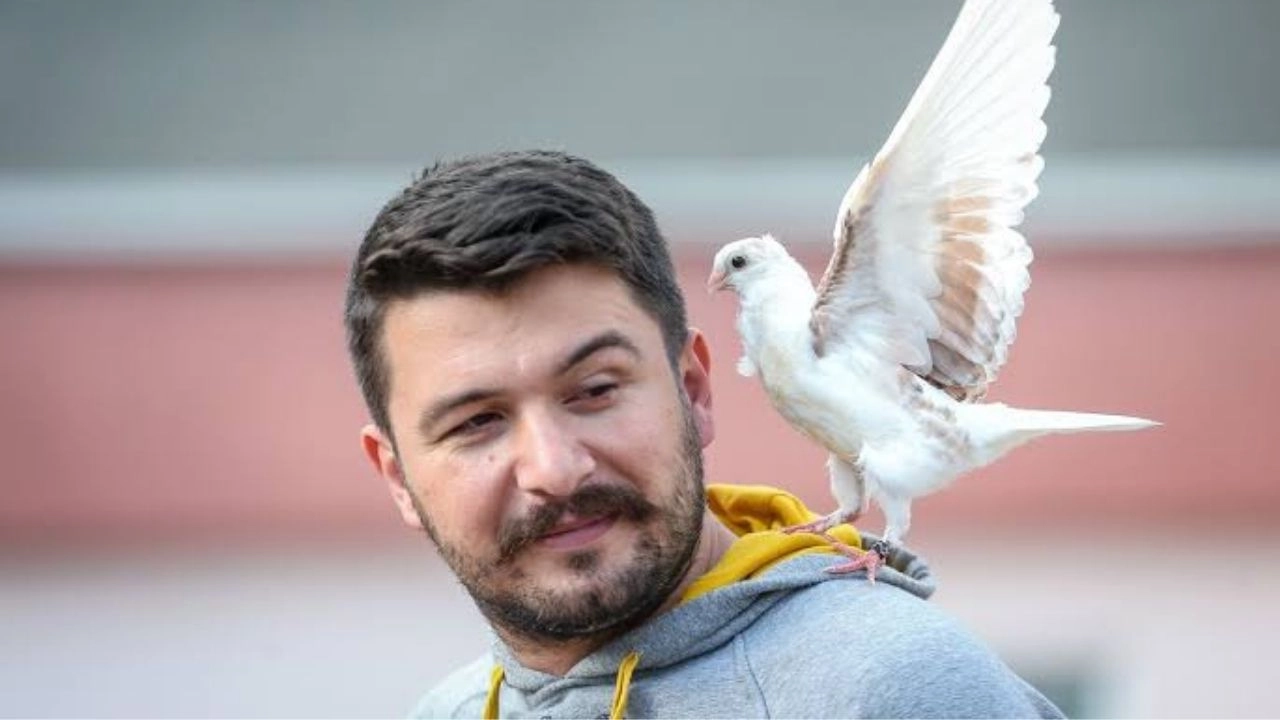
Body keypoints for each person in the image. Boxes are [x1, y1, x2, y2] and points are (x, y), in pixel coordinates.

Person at [345, 150, 1063, 719]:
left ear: (693, 390)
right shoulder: (444, 712)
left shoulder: (893, 688)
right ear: (398, 479)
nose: (555, 470)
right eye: (477, 423)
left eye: (595, 391)